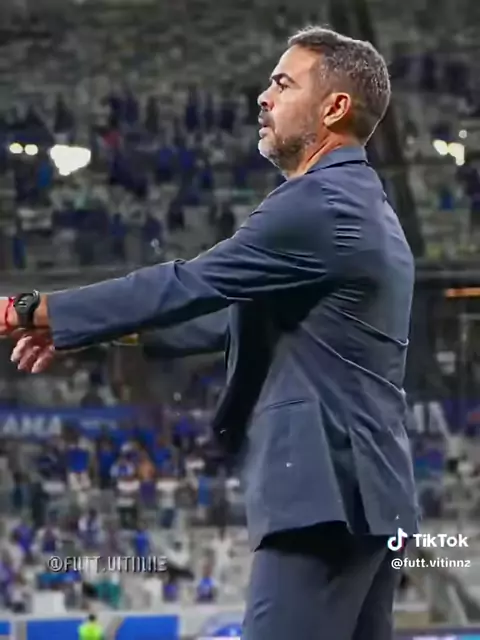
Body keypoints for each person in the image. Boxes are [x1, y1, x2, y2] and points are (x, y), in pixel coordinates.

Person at [1, 26, 418, 640]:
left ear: (334, 107)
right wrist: (92, 333)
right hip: (368, 496)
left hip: (324, 495)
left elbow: (187, 282)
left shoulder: (317, 204)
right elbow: (228, 319)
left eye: (283, 84)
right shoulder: (365, 206)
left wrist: (33, 309)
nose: (264, 97)